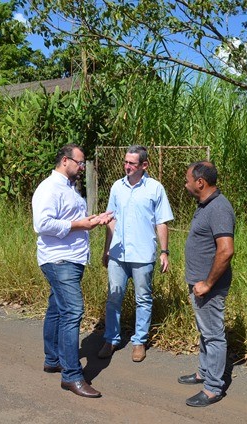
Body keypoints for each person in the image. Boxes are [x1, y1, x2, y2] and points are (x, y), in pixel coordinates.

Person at [32, 144, 113, 398]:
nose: (81, 166)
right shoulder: (49, 188)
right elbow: (41, 224)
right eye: (79, 162)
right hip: (59, 260)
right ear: (65, 161)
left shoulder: (68, 189)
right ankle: (71, 375)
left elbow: (71, 220)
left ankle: (53, 359)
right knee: (73, 311)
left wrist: (93, 220)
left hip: (72, 259)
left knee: (57, 307)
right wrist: (81, 224)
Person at [98, 145, 174, 362]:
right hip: (118, 255)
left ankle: (139, 341)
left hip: (142, 255)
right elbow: (111, 220)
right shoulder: (117, 187)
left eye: (132, 163)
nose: (127, 166)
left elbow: (161, 221)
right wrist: (106, 250)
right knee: (114, 297)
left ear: (144, 165)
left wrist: (164, 251)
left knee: (143, 299)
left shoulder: (155, 188)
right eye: (125, 162)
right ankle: (111, 339)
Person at [178, 161, 235, 407]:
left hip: (209, 286)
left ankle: (213, 387)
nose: (185, 183)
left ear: (200, 183)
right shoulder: (205, 204)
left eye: (188, 179)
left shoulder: (219, 208)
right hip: (200, 284)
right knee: (205, 331)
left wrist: (208, 284)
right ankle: (204, 371)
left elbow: (226, 251)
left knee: (213, 335)